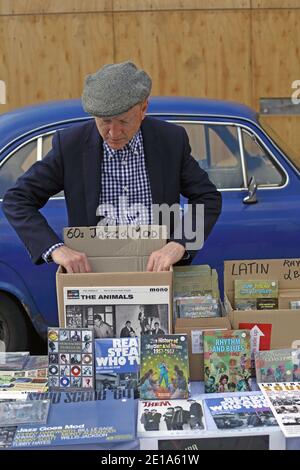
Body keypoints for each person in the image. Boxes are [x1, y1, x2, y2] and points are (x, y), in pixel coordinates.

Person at [2, 61, 222, 273]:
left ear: (144, 108)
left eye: (124, 121)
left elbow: (207, 197)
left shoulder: (170, 140)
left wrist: (179, 244)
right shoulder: (70, 146)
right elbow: (17, 199)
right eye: (104, 122)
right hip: (93, 278)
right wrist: (55, 249)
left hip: (158, 273)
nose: (113, 133)